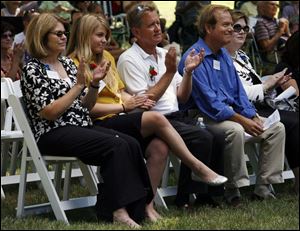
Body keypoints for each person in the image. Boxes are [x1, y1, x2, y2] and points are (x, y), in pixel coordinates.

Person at [22, 13, 154, 229]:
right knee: (116, 145)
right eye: (58, 34)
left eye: (65, 33)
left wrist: (93, 85)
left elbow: (85, 106)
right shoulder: (33, 69)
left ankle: (140, 208)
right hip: (53, 132)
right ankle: (117, 210)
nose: (64, 37)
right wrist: (77, 86)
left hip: (79, 125)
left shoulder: (67, 63)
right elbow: (49, 112)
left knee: (130, 142)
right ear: (42, 36)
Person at [117, 3, 227, 209]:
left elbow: (182, 96)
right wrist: (169, 73)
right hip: (153, 122)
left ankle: (207, 196)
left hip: (177, 116)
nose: (158, 28)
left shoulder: (163, 54)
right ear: (136, 32)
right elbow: (144, 103)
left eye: (158, 23)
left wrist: (188, 72)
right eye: (151, 25)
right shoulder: (128, 59)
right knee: (201, 137)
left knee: (218, 135)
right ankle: (185, 198)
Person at [178, 4, 286, 206]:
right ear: (209, 29)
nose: (231, 29)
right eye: (226, 24)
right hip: (201, 118)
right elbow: (211, 105)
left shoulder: (223, 56)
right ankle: (232, 191)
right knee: (235, 130)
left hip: (230, 114)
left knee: (276, 128)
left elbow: (239, 94)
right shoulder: (193, 57)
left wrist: (252, 115)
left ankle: (264, 188)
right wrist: (243, 120)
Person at [225, 10, 299, 194]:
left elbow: (258, 88)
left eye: (245, 28)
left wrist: (274, 85)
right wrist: (268, 85)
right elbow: (239, 95)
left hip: (259, 107)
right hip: (241, 112)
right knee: (294, 122)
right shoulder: (222, 59)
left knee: (293, 119)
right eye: (237, 27)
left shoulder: (241, 57)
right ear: (225, 30)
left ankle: (266, 185)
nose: (242, 32)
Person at [254, 1, 290, 75]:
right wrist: (280, 31)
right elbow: (267, 47)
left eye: (277, 5)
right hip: (273, 55)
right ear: (263, 7)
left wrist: (287, 28)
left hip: (285, 51)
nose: (275, 7)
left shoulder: (277, 21)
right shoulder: (261, 23)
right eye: (272, 4)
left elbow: (289, 37)